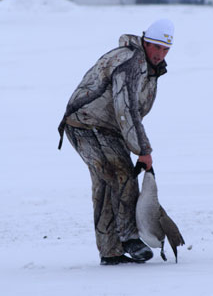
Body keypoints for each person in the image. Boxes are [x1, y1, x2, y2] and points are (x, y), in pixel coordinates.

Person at [58, 19, 174, 265]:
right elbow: (126, 109)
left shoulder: (149, 68)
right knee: (122, 175)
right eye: (156, 47)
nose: (160, 54)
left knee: (106, 183)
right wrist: (143, 150)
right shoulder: (130, 61)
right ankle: (129, 237)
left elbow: (132, 111)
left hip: (99, 126)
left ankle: (110, 252)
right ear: (145, 41)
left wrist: (137, 144)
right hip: (88, 123)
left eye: (165, 49)